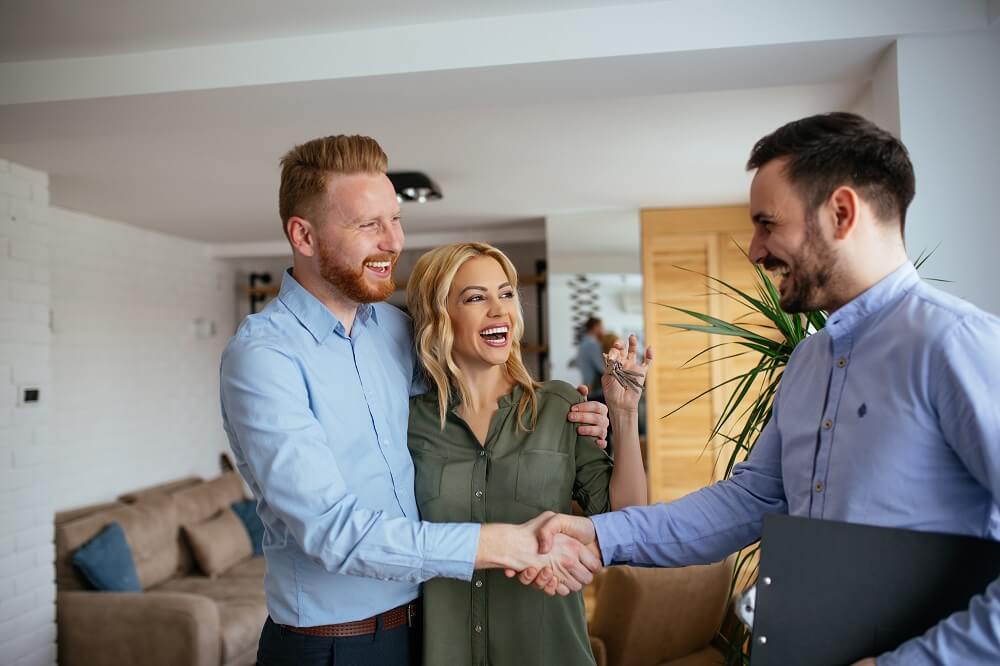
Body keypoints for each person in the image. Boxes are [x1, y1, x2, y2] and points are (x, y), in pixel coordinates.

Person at [524, 112, 1000, 666]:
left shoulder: (957, 345)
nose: (755, 249)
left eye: (768, 223)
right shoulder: (809, 360)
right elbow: (749, 500)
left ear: (841, 212)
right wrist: (596, 535)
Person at [219, 135, 608, 666]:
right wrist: (508, 545)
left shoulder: (395, 331)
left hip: (422, 630)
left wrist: (570, 417)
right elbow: (333, 532)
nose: (392, 242)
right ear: (303, 235)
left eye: (395, 220)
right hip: (332, 646)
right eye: (367, 225)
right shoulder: (264, 357)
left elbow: (471, 407)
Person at [405, 242, 652, 665]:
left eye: (505, 294)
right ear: (439, 315)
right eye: (476, 297)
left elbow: (625, 519)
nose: (499, 310)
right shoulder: (407, 423)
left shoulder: (558, 406)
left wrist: (624, 416)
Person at [576, 316, 606, 399]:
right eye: (601, 327)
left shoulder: (583, 343)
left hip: (588, 389)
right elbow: (601, 368)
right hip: (597, 391)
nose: (603, 329)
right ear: (595, 327)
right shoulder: (592, 344)